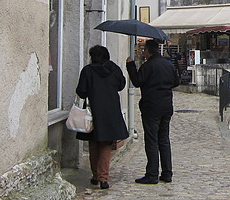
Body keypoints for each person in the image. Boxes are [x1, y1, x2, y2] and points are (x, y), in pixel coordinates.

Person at [126, 39, 180, 184]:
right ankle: (167, 173)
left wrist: (130, 65)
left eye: (144, 50)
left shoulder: (147, 66)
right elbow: (176, 81)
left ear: (148, 51)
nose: (143, 52)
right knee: (164, 140)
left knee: (152, 141)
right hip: (166, 106)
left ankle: (152, 174)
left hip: (151, 107)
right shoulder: (167, 65)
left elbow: (137, 81)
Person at [76, 45, 129, 190]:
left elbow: (81, 91)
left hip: (94, 111)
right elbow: (121, 85)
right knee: (106, 145)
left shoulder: (88, 70)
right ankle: (103, 177)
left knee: (93, 144)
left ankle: (95, 176)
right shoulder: (115, 69)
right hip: (111, 111)